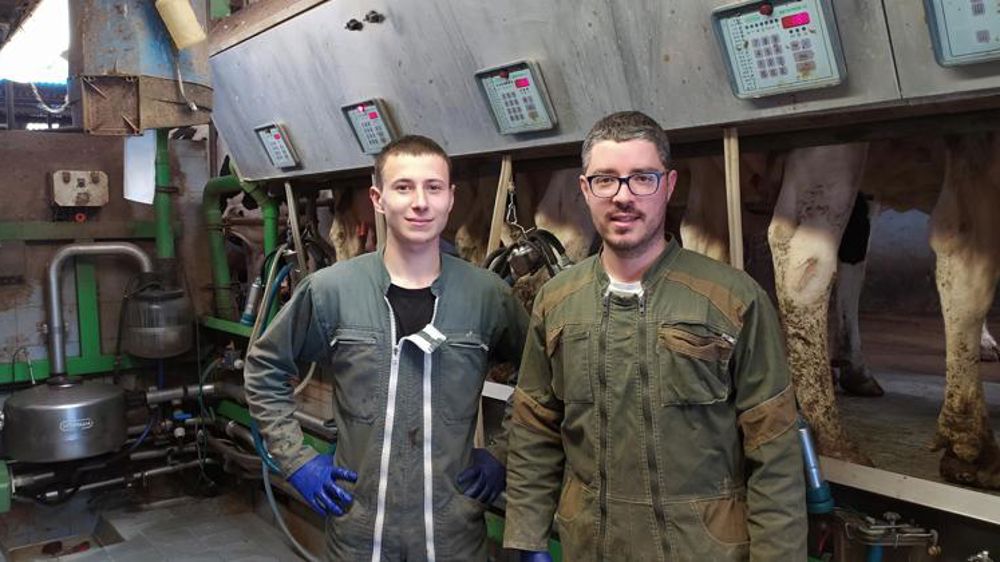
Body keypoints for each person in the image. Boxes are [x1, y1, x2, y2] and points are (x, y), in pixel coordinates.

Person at [503, 112, 807, 561]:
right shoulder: (557, 301)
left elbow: (774, 451)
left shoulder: (732, 298)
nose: (623, 197)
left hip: (703, 551)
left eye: (642, 178)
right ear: (585, 190)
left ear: (669, 186)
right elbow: (535, 431)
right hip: (591, 546)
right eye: (606, 180)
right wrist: (526, 538)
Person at [244, 135, 528, 561]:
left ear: (450, 199)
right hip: (359, 533)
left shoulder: (487, 295)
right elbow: (264, 368)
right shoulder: (331, 291)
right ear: (378, 198)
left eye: (433, 188)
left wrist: (503, 452)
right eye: (403, 187)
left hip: (454, 535)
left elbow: (541, 379)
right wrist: (296, 459)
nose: (420, 202)